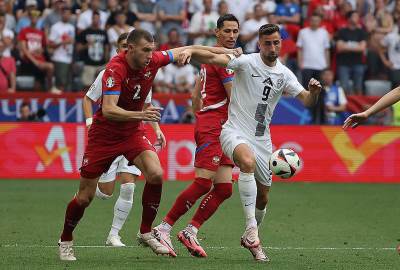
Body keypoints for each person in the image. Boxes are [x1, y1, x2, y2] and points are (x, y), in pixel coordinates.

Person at [57, 28, 241, 261]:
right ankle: (66, 239)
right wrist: (142, 116)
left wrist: (229, 52)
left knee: (155, 174)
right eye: (145, 50)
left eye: (151, 50)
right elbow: (109, 110)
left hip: (132, 133)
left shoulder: (153, 59)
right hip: (104, 136)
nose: (149, 55)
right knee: (85, 197)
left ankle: (146, 231)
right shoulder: (115, 69)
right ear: (130, 49)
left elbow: (190, 50)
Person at [177, 23, 321, 261]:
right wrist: (191, 50)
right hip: (233, 132)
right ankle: (252, 232)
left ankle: (249, 234)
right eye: (267, 43)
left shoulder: (284, 74)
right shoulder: (246, 62)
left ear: (280, 43)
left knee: (263, 196)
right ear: (259, 44)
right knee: (246, 161)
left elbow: (306, 100)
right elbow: (213, 57)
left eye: (276, 42)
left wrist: (314, 92)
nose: (272, 47)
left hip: (263, 140)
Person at [153, 14, 245, 259]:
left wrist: (201, 113)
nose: (231, 35)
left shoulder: (213, 58)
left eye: (235, 31)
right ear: (216, 33)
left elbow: (196, 97)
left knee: (224, 188)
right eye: (226, 31)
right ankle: (164, 228)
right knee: (204, 182)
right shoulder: (224, 59)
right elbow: (235, 96)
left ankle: (190, 231)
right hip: (215, 125)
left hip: (221, 125)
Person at [82, 32, 165, 247]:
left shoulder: (144, 72)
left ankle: (114, 234)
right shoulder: (108, 73)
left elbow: (147, 106)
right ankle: (90, 185)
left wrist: (156, 129)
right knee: (104, 193)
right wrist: (90, 121)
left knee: (130, 185)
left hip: (132, 134)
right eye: (121, 47)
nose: (123, 51)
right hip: (108, 136)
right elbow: (88, 99)